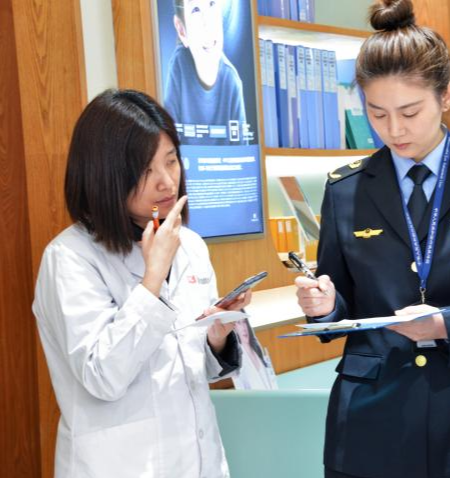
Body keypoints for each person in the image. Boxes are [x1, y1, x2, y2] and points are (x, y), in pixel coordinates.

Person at [294, 1, 450, 477]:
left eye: (410, 111)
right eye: (377, 114)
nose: (394, 130)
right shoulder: (345, 189)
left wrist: (448, 323)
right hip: (372, 417)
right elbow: (341, 307)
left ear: (446, 96)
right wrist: (324, 306)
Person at [32, 89, 250, 478]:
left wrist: (217, 337)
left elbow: (188, 370)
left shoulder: (190, 245)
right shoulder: (69, 258)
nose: (166, 182)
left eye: (171, 161)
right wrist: (153, 278)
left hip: (199, 462)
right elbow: (103, 377)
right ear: (105, 175)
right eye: (146, 171)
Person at [164, 0, 247, 145]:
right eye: (196, 10)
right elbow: (168, 141)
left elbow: (243, 151)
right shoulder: (178, 66)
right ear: (182, 31)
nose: (208, 24)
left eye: (212, 4)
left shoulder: (232, 81)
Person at [233, 318, 278, 390]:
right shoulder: (236, 358)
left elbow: (271, 379)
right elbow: (240, 389)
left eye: (244, 322)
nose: (244, 328)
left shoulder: (258, 349)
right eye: (238, 322)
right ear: (234, 327)